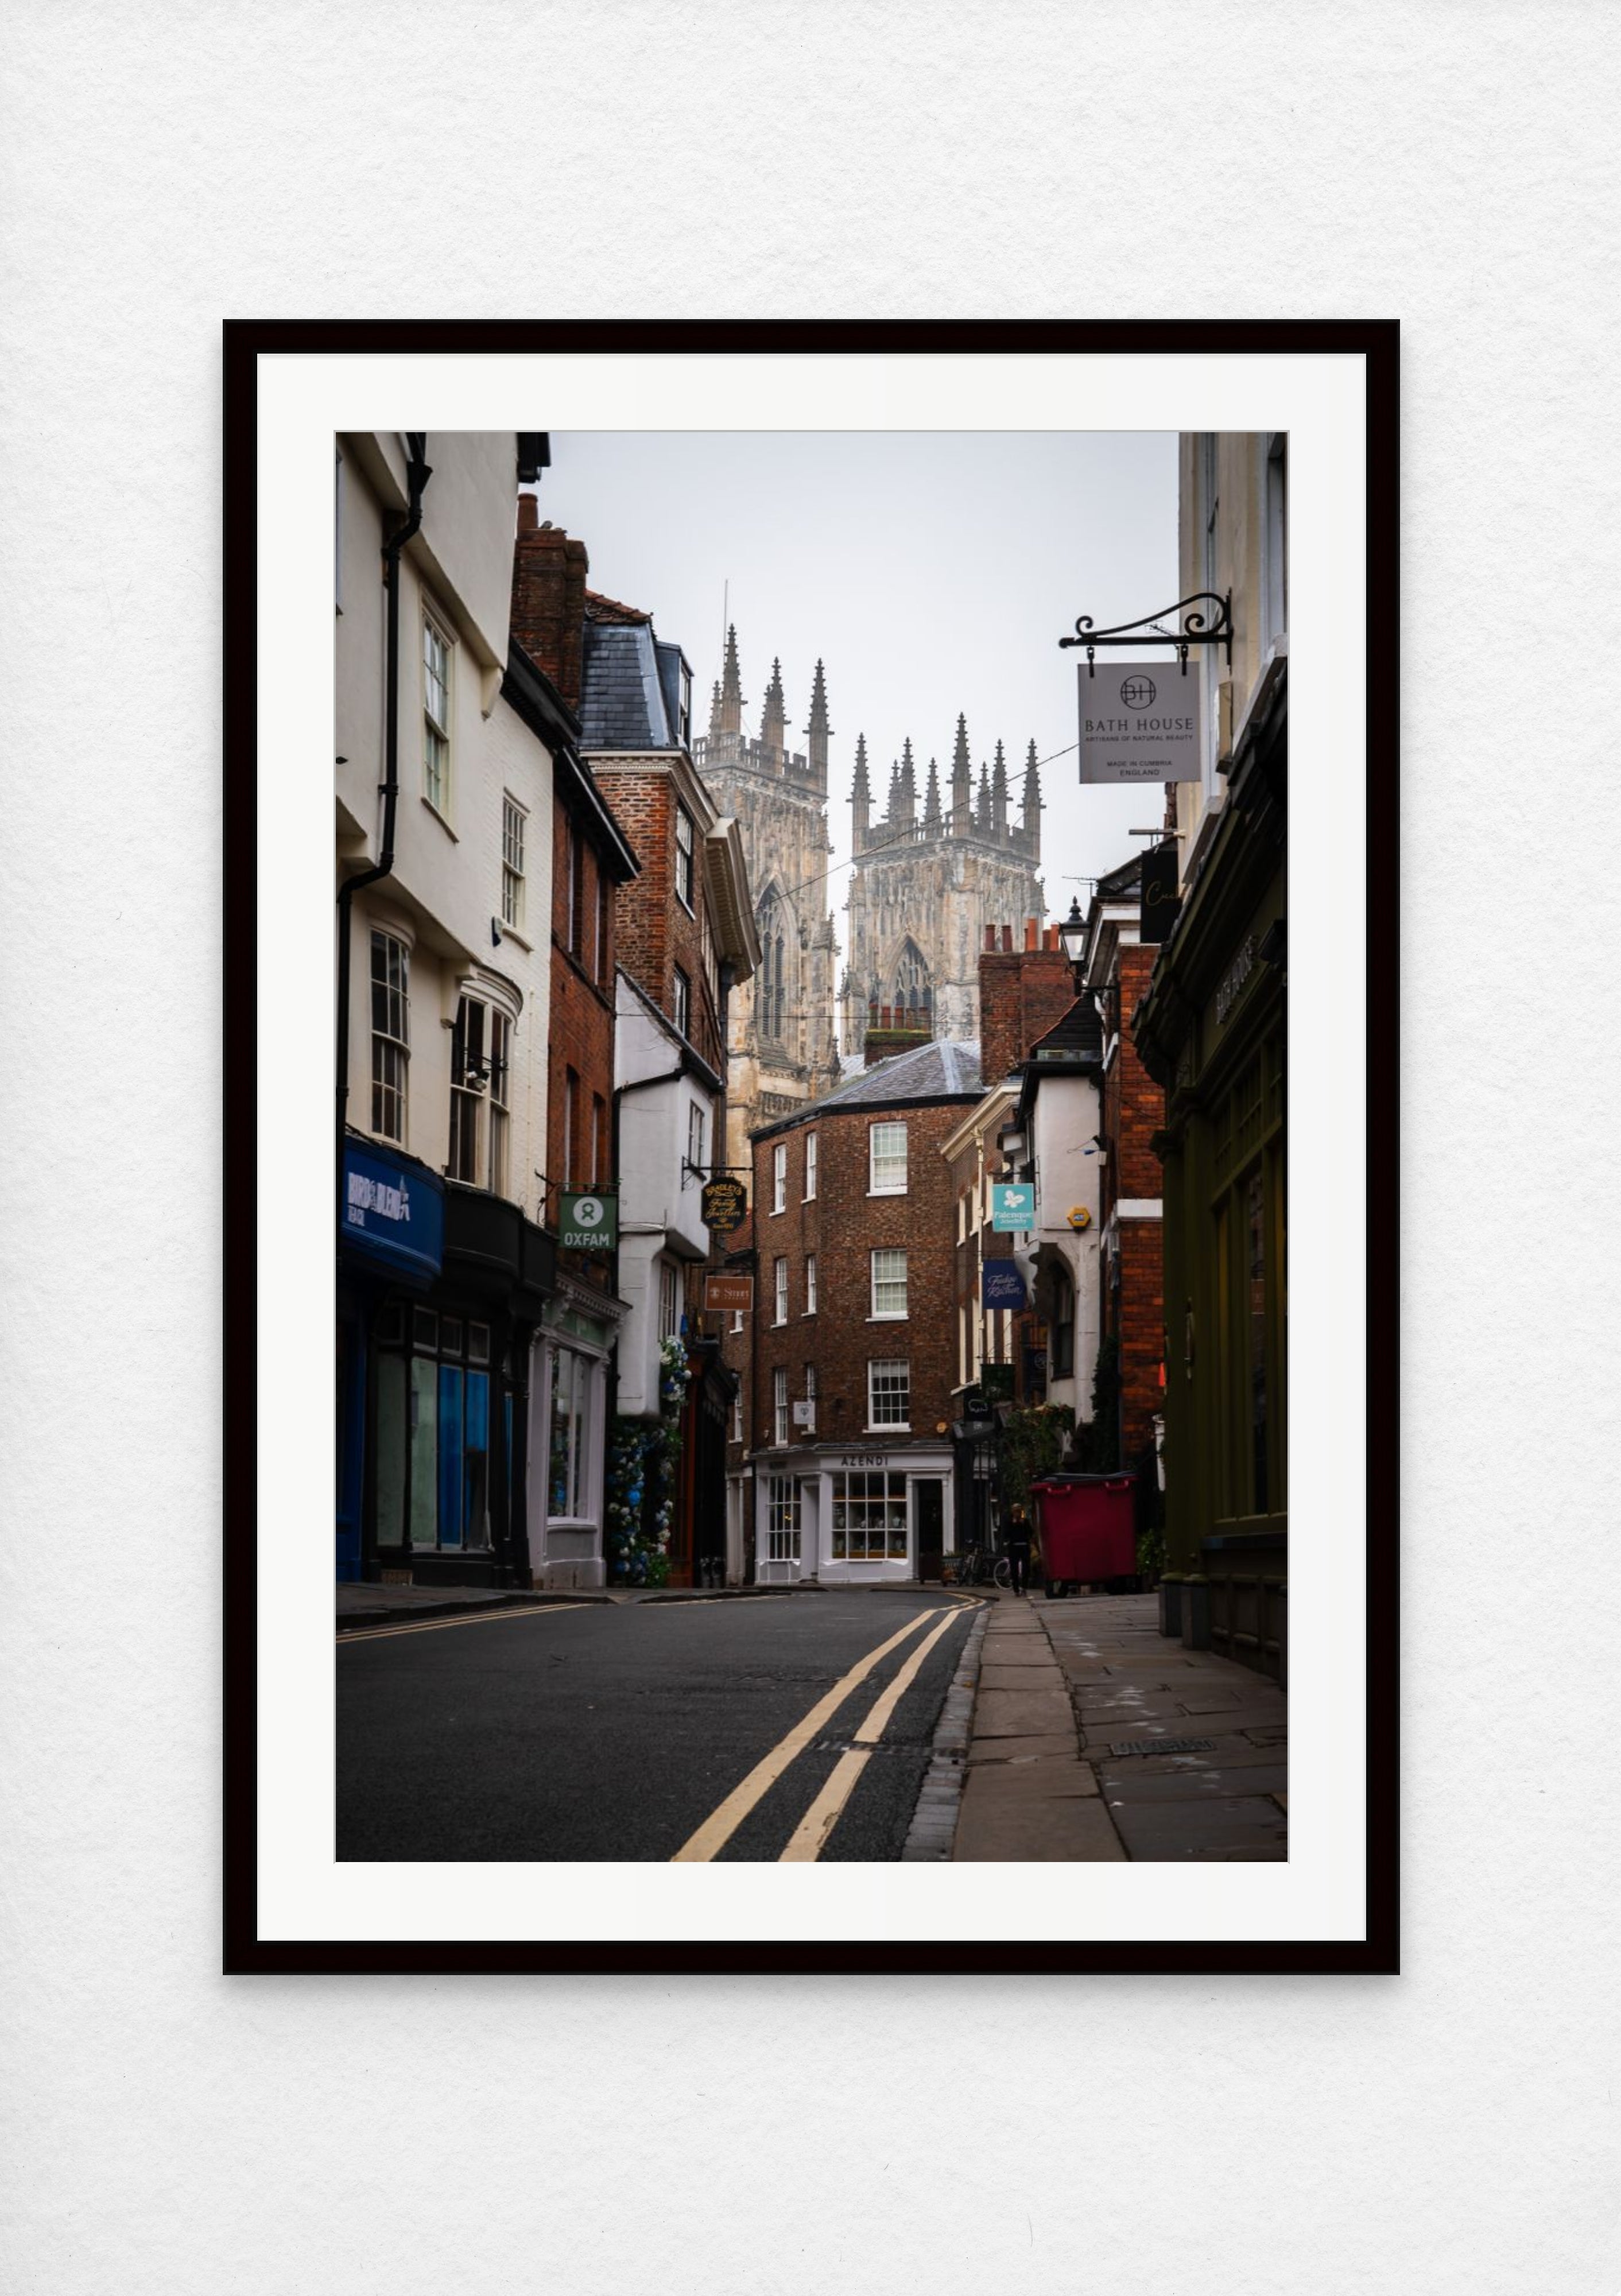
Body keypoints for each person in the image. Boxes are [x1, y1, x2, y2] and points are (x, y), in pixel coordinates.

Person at [1005, 1503, 1033, 1596]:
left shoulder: (1025, 1521)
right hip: (1014, 1548)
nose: (1017, 1513)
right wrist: (1012, 1525)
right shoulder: (1009, 1522)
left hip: (1024, 1547)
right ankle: (1016, 1590)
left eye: (1019, 1511)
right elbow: (1006, 1534)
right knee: (1014, 1570)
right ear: (1012, 1512)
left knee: (1026, 1569)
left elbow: (1031, 1532)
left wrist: (1023, 1524)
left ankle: (1024, 1588)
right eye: (1015, 1511)